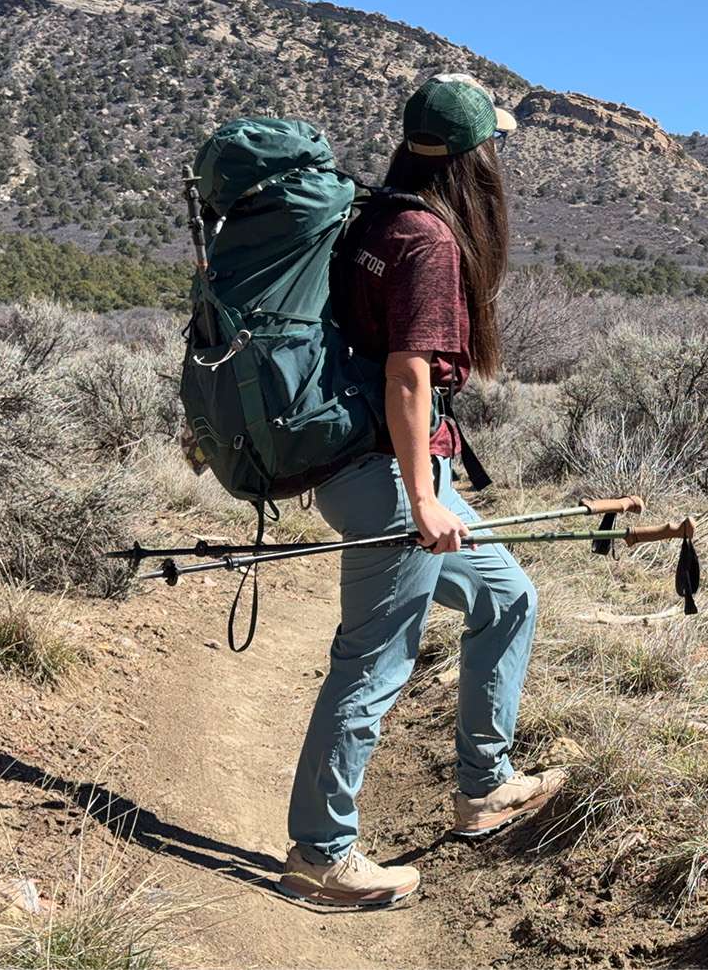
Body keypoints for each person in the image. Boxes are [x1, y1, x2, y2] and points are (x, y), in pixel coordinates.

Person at [278, 74, 566, 908]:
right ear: (475, 157)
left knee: (508, 597)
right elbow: (408, 373)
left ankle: (484, 786)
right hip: (392, 476)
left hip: (375, 465)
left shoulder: (374, 214)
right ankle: (319, 852)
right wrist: (422, 498)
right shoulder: (429, 239)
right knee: (373, 659)